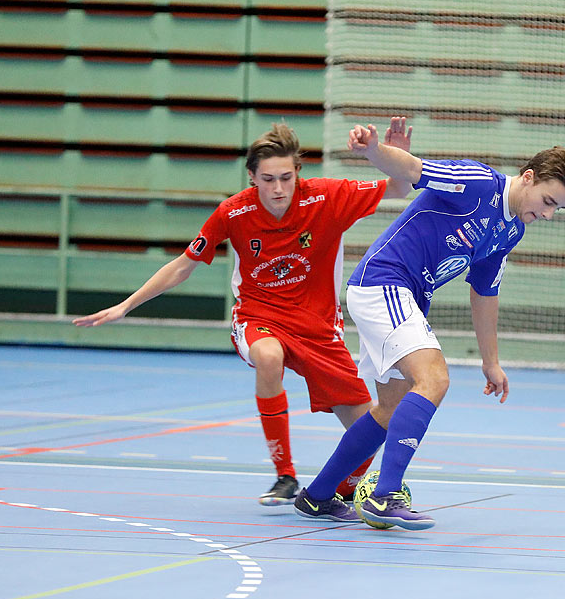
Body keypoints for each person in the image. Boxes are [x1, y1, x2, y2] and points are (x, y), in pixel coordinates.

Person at [72, 119, 414, 506]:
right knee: (269, 356)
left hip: (319, 326)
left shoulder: (326, 198)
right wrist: (125, 305)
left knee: (371, 427)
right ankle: (284, 475)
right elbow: (184, 265)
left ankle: (333, 492)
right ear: (252, 176)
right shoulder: (233, 213)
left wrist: (392, 155)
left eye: (286, 177)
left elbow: (400, 187)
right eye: (268, 179)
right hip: (259, 315)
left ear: (298, 172)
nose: (279, 188)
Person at [291, 128, 565, 530]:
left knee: (391, 409)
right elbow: (412, 169)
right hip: (384, 281)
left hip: (406, 297)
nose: (549, 214)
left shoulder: (512, 229)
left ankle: (318, 496)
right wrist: (377, 150)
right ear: (529, 177)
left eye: (559, 209)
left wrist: (491, 362)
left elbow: (485, 292)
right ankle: (385, 496)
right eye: (548, 201)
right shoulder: (478, 184)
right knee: (434, 379)